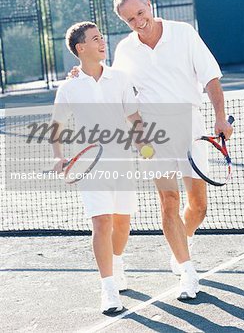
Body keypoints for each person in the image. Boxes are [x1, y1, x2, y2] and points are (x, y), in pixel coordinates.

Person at [69, 0, 233, 301]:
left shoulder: (183, 34)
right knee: (169, 200)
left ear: (149, 4)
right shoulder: (126, 49)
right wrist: (82, 72)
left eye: (140, 13)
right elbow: (112, 83)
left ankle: (181, 242)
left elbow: (211, 77)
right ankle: (187, 271)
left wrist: (221, 118)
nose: (138, 22)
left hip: (190, 126)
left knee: (198, 206)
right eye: (130, 20)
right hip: (152, 134)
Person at [51, 21, 147, 314]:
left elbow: (135, 117)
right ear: (81, 48)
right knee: (101, 223)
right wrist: (59, 156)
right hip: (90, 165)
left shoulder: (119, 78)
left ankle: (117, 262)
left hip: (123, 162)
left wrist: (145, 144)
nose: (102, 42)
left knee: (122, 223)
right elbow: (56, 125)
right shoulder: (69, 86)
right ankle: (107, 290)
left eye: (102, 37)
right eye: (95, 39)